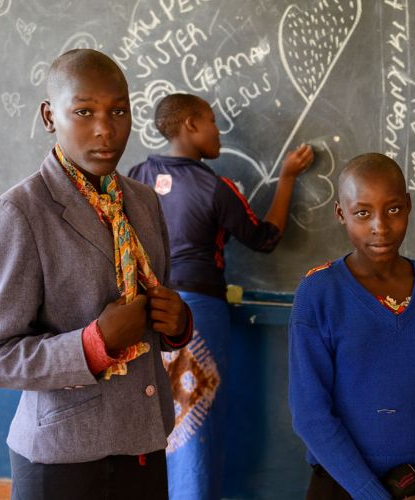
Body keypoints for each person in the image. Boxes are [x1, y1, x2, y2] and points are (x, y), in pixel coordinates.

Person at [0, 49, 192, 500]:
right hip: (61, 458)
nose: (105, 129)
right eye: (83, 112)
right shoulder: (20, 213)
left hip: (143, 442)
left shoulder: (144, 203)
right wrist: (94, 344)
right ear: (50, 116)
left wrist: (177, 325)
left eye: (118, 111)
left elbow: (154, 310)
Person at [127, 93, 313, 500]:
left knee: (151, 418)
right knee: (196, 425)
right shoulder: (215, 188)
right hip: (197, 317)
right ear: (190, 125)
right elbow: (265, 239)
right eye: (211, 121)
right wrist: (286, 178)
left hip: (142, 316)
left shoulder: (135, 175)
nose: (218, 132)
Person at [288, 153, 415, 500]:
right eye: (362, 213)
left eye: (393, 210)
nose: (380, 227)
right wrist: (371, 495)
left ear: (408, 205)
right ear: (341, 213)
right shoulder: (319, 294)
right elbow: (310, 414)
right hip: (339, 483)